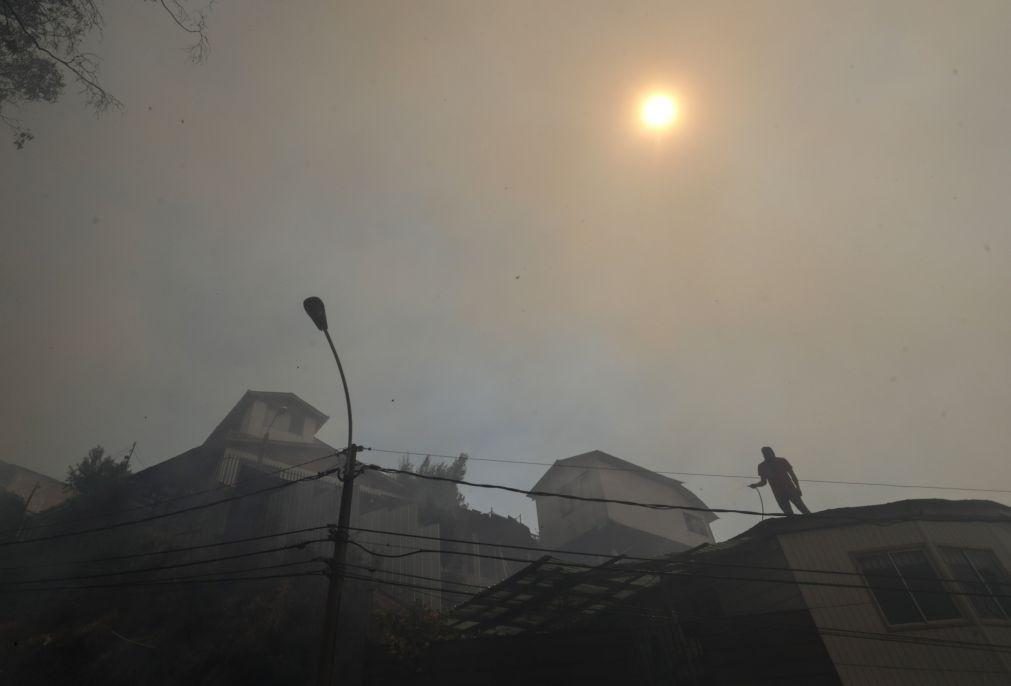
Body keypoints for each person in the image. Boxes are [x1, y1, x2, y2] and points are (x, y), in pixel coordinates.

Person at [749, 446, 810, 515]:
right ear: (763, 455)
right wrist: (755, 485)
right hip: (778, 493)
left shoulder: (781, 461)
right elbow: (763, 482)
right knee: (788, 513)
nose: (767, 454)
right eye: (765, 453)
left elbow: (793, 476)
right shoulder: (762, 466)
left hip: (790, 489)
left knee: (803, 509)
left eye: (768, 452)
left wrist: (798, 488)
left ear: (772, 452)